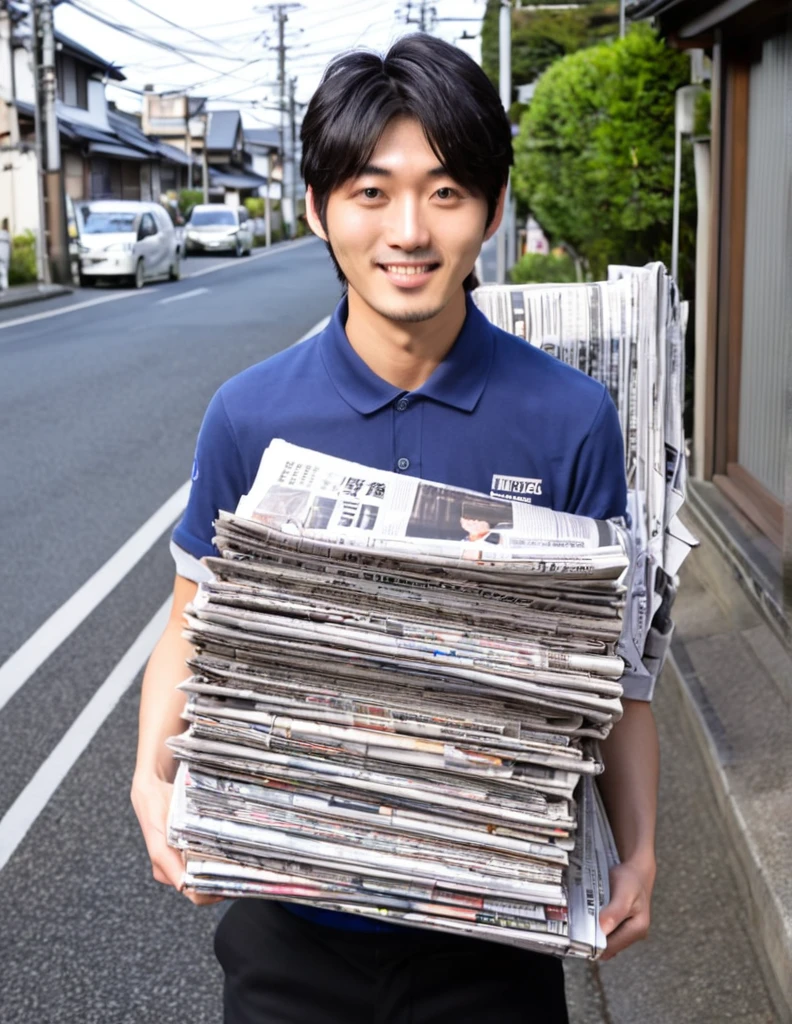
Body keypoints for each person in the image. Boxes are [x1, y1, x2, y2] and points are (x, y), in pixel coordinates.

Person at [132, 33, 658, 1024]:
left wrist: (641, 848)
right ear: (318, 210)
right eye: (371, 192)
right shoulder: (248, 413)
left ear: (494, 211)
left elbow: (617, 673)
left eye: (446, 191)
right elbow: (187, 620)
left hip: (492, 936)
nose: (408, 229)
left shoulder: (571, 417)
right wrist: (146, 777)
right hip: (290, 927)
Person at [0, 218, 11, 293]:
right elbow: (10, 245)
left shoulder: (3, 234)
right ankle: (4, 286)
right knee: (3, 270)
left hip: (2, 253)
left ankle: (3, 286)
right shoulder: (7, 234)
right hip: (5, 254)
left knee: (2, 270)